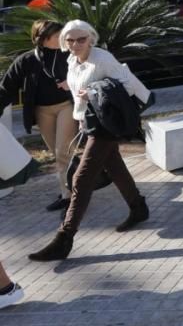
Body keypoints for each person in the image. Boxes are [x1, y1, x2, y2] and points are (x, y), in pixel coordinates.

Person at [28, 20, 151, 262]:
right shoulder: (72, 60)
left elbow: (128, 85)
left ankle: (64, 238)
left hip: (107, 124)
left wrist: (94, 91)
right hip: (91, 121)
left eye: (81, 39)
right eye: (70, 40)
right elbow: (76, 91)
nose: (75, 44)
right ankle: (138, 208)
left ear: (91, 38)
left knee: (81, 179)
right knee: (115, 167)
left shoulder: (102, 58)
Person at [0, 20, 75, 211]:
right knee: (58, 154)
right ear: (42, 39)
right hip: (42, 112)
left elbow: (87, 74)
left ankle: (69, 197)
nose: (62, 38)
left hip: (66, 106)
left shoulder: (70, 55)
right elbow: (7, 88)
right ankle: (77, 184)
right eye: (57, 35)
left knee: (62, 152)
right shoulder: (26, 60)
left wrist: (72, 82)